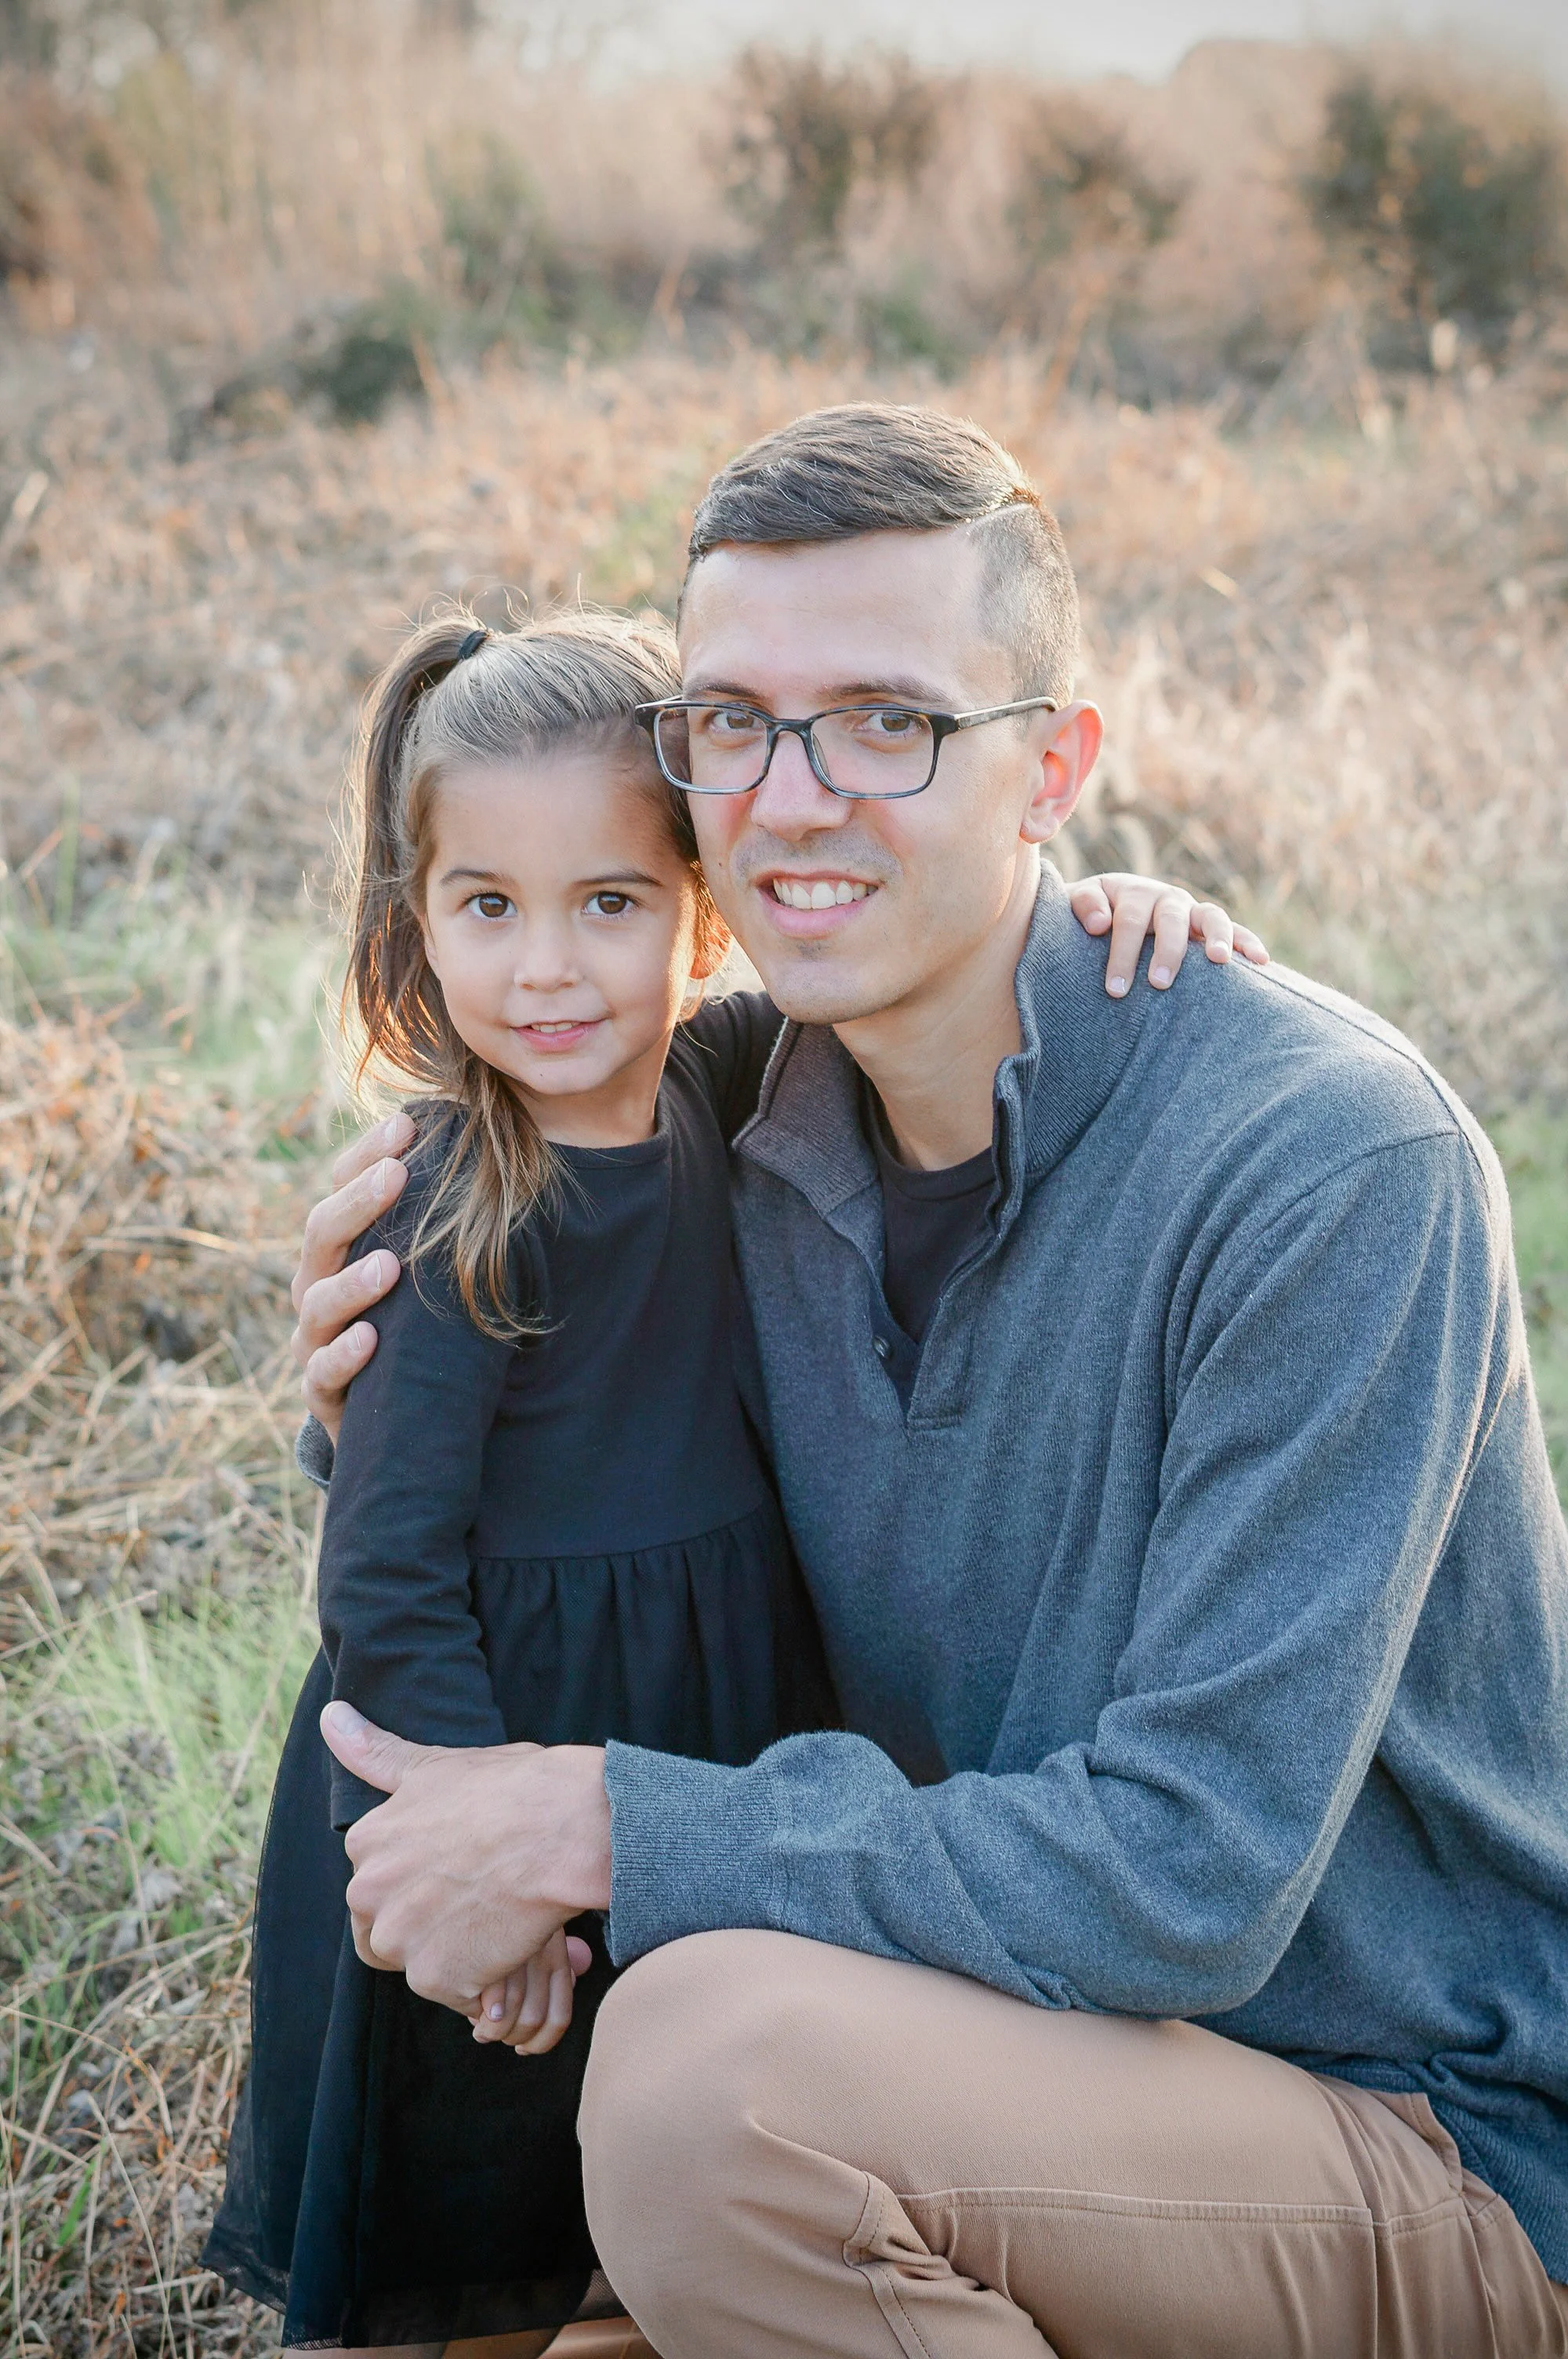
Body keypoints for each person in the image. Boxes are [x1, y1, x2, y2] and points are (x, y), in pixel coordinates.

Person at [290, 406, 1568, 2359]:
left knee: (705, 2078)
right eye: (730, 721)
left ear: (1054, 766)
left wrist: (599, 1826)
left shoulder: (1330, 1171)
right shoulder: (733, 1102)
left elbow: (1189, 1877)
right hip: (975, 2050)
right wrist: (367, 1394)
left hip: (1397, 2134)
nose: (793, 798)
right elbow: (550, 1435)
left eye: (888, 719)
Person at [206, 595, 1232, 2359]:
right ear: (418, 920)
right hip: (490, 1732)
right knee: (444, 2225)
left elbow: (968, 970)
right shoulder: (454, 1198)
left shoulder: (729, 1072)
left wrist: (1117, 912)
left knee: (612, 2187)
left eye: (610, 904)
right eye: (487, 908)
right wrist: (474, 1842)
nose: (548, 971)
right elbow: (382, 1576)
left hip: (700, 1730)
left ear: (702, 916)